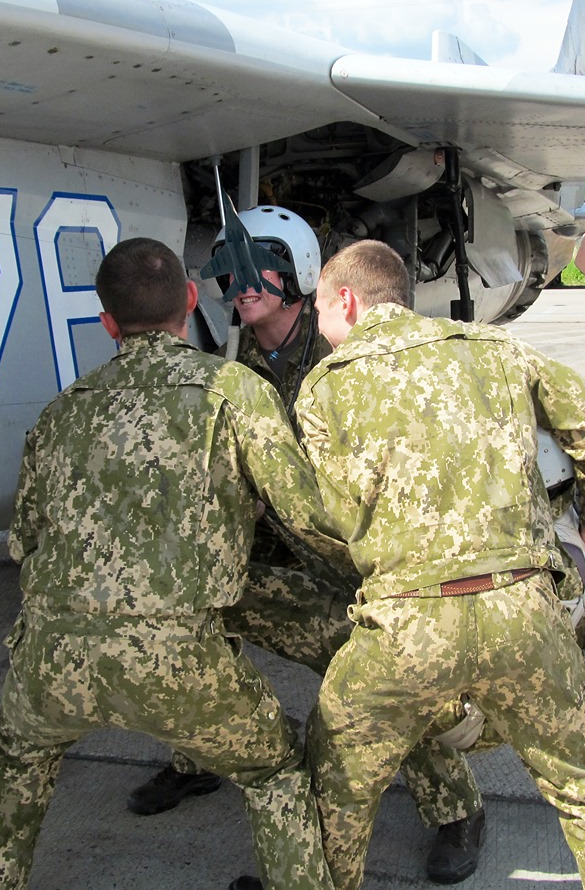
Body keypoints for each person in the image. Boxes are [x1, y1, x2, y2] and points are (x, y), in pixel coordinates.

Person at [0, 237, 348, 890]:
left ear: (107, 322)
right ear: (192, 300)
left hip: (52, 660)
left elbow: (25, 540)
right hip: (179, 664)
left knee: (16, 760)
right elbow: (309, 518)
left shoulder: (62, 411)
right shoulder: (233, 390)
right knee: (274, 771)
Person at [126, 206, 487, 885]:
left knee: (381, 670)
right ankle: (198, 757)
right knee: (195, 621)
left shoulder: (340, 355)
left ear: (295, 271)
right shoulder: (235, 364)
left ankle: (456, 808)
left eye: (258, 268)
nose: (241, 285)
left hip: (345, 552)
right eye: (229, 272)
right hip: (267, 541)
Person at [298, 239, 585, 890]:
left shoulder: (323, 389)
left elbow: (337, 519)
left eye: (317, 307)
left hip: (404, 629)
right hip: (521, 612)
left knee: (336, 786)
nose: (316, 323)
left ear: (346, 299)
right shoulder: (496, 348)